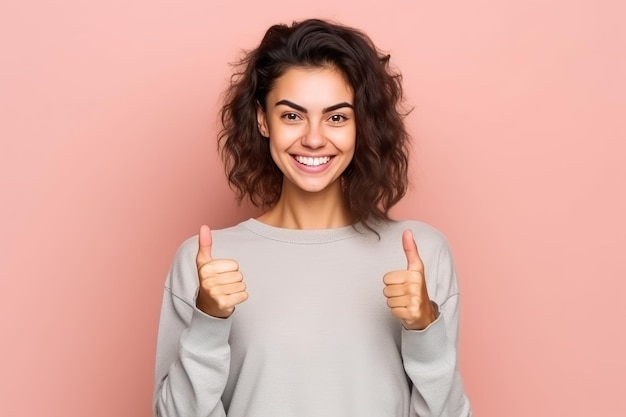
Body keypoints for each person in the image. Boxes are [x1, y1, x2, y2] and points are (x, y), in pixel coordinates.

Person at [153, 18, 472, 417]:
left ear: (361, 126)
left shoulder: (421, 254)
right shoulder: (205, 261)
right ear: (262, 119)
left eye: (337, 117)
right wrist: (208, 323)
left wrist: (425, 329)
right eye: (292, 116)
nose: (315, 138)